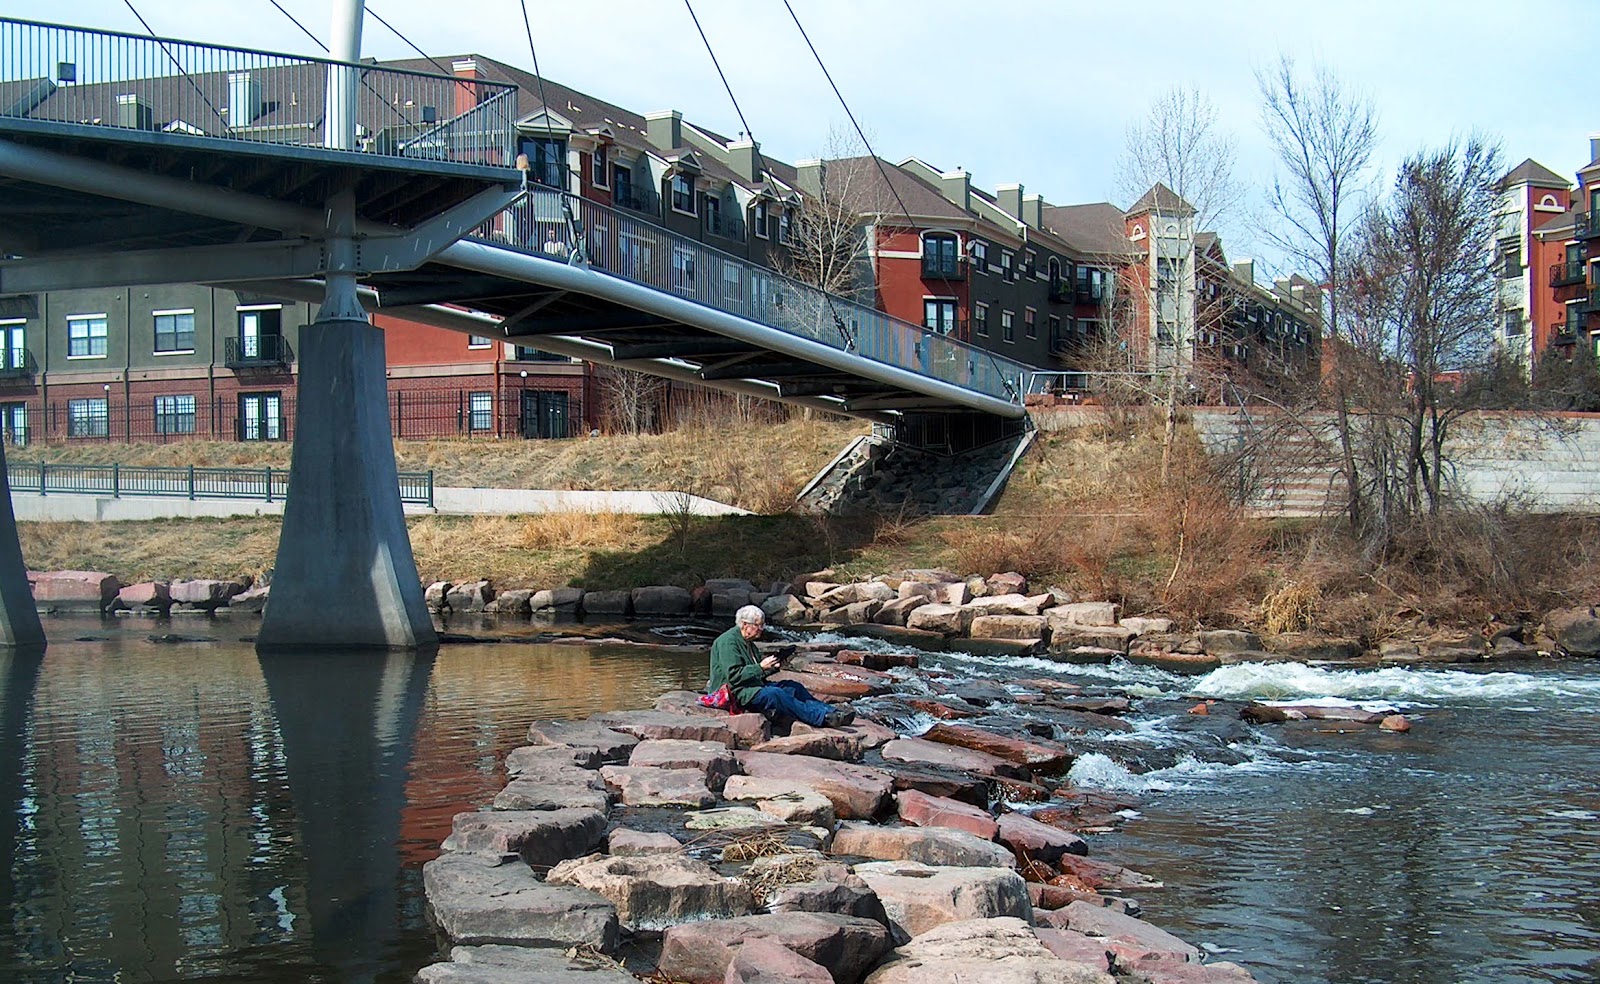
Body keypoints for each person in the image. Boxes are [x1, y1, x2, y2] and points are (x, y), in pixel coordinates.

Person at [708, 606, 855, 729]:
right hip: (733, 692)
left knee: (793, 687)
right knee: (775, 694)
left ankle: (832, 711)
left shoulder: (749, 643)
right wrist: (760, 667)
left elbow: (758, 674)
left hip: (750, 687)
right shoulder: (728, 642)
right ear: (745, 624)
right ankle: (823, 718)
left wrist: (775, 666)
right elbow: (734, 676)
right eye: (758, 625)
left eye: (762, 625)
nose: (761, 629)